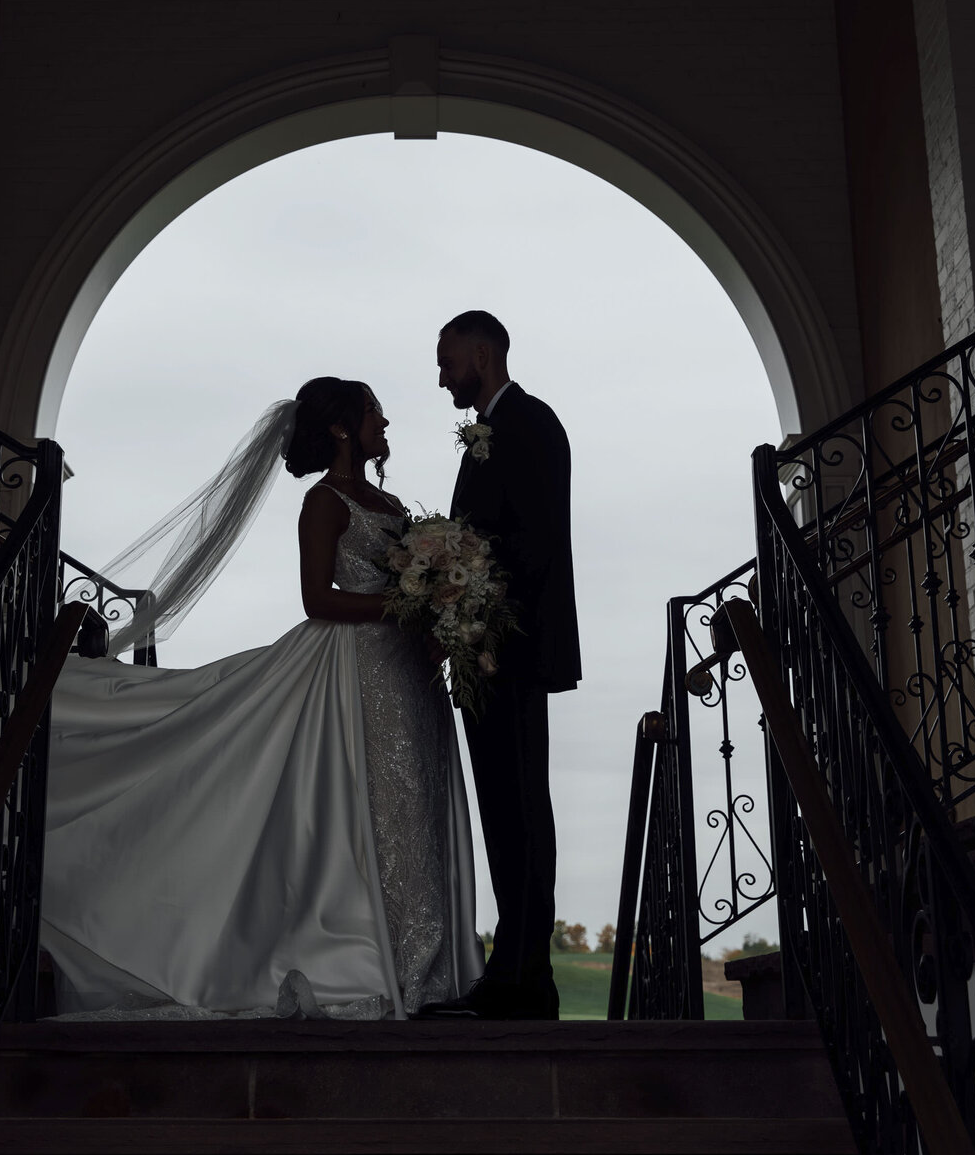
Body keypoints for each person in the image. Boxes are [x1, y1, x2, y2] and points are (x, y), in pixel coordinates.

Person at [41, 377, 482, 1020]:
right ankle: (380, 963)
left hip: (410, 676)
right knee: (374, 807)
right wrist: (408, 604)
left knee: (417, 803)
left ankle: (429, 966)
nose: (384, 425)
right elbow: (318, 598)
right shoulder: (324, 501)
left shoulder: (389, 503)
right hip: (356, 672)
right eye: (373, 415)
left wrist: (438, 615)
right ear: (340, 428)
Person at [420, 311, 579, 1021]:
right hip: (484, 652)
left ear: (481, 355)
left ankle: (523, 979)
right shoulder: (489, 430)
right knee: (502, 814)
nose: (442, 375)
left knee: (520, 810)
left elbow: (538, 540)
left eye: (447, 361)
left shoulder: (532, 424)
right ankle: (513, 973)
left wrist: (470, 592)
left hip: (512, 650)